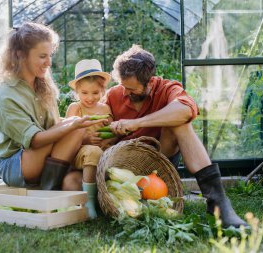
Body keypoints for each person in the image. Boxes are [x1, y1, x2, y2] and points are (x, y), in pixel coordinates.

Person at [105, 45, 247, 228]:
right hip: (125, 169)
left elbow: (186, 110)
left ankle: (217, 202)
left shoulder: (166, 88)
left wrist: (137, 123)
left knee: (180, 122)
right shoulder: (114, 95)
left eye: (131, 89)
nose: (125, 92)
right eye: (122, 86)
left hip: (160, 163)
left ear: (149, 82)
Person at [0, 22, 106, 191]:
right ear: (20, 55)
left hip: (43, 158)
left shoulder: (42, 83)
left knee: (76, 125)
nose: (49, 63)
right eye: (42, 56)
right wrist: (72, 125)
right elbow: (36, 141)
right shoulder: (6, 93)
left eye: (50, 55)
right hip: (19, 165)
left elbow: (54, 125)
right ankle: (51, 189)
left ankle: (49, 188)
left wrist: (79, 129)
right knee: (73, 125)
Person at [65, 59, 113, 218]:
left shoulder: (105, 108)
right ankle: (89, 202)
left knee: (101, 154)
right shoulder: (75, 108)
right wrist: (85, 139)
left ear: (102, 91)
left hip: (101, 154)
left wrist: (107, 140)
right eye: (84, 93)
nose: (90, 98)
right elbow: (68, 136)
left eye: (95, 93)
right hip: (79, 154)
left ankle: (102, 198)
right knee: (93, 151)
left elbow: (112, 133)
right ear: (77, 91)